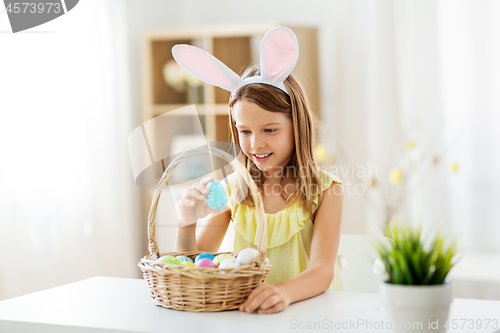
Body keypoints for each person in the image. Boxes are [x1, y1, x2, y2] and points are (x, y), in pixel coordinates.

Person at [172, 26, 344, 314]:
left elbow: (322, 270)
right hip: (251, 316)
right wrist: (185, 223)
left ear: (296, 126)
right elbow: (194, 266)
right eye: (245, 131)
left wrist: (282, 292)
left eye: (270, 129)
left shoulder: (326, 190)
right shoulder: (233, 191)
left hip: (310, 316)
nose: (256, 143)